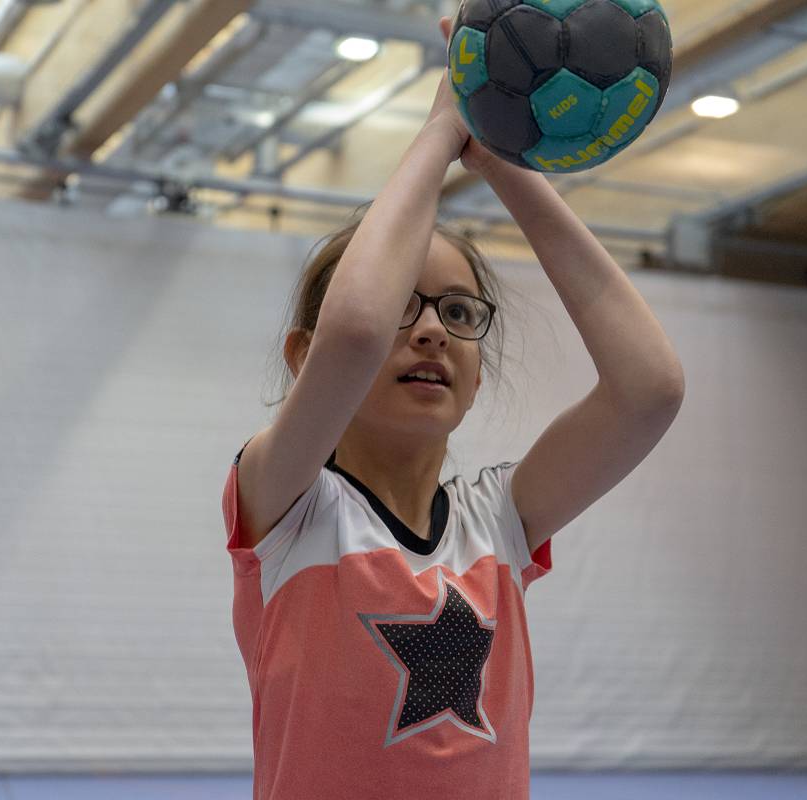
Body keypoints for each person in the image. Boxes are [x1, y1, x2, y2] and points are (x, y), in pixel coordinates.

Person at [220, 15, 685, 800]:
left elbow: (651, 390)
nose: (433, 330)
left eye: (459, 312)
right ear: (305, 358)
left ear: (475, 378)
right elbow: (355, 332)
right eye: (405, 303)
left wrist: (505, 157)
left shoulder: (498, 522)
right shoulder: (288, 510)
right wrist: (445, 128)